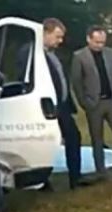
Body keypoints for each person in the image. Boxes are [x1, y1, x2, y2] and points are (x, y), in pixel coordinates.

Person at [70, 26, 112, 186]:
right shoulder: (79, 56)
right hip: (94, 104)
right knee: (97, 138)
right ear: (88, 39)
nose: (100, 45)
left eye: (102, 42)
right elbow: (76, 83)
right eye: (97, 42)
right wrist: (85, 103)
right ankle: (101, 170)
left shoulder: (110, 53)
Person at [40, 18, 85, 189]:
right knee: (44, 143)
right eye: (57, 36)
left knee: (73, 136)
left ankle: (75, 178)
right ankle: (42, 181)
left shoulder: (53, 55)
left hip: (62, 106)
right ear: (46, 33)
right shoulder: (33, 55)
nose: (60, 41)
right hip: (46, 107)